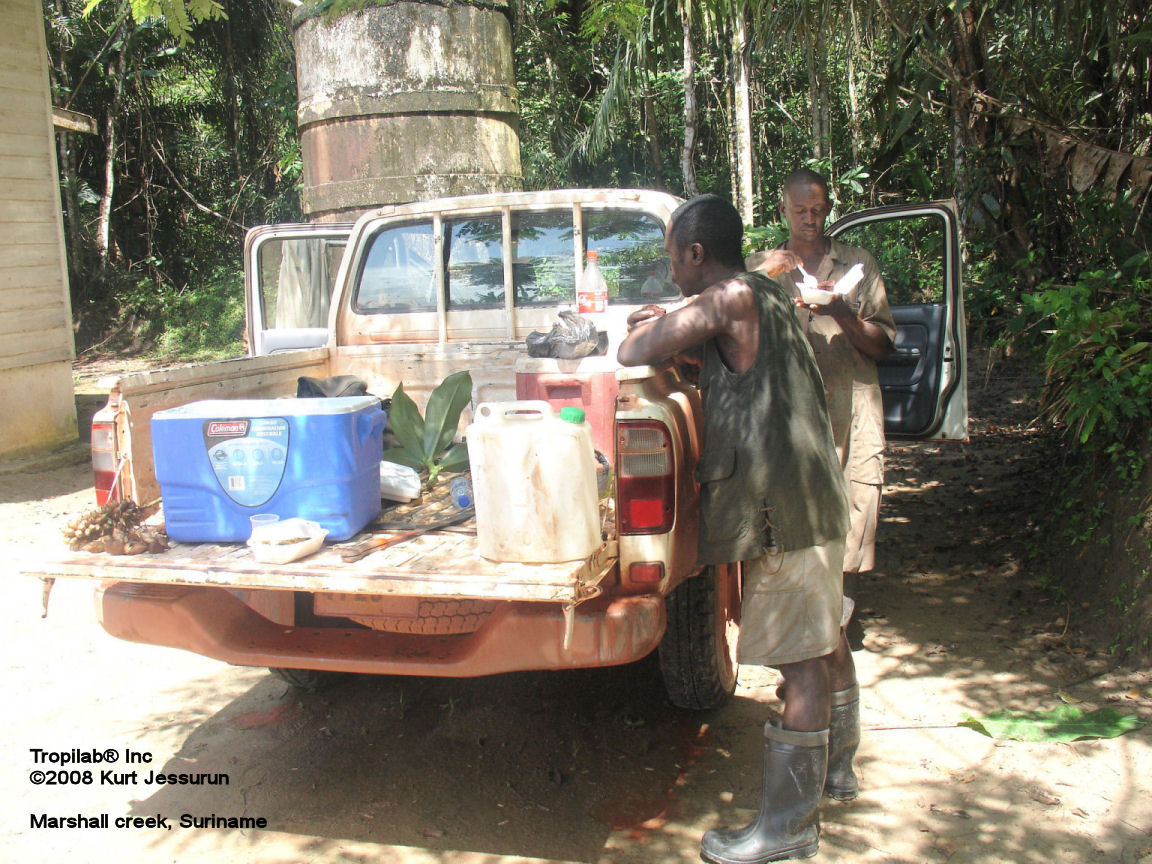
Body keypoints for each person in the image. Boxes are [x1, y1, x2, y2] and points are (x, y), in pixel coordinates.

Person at [618, 194, 856, 863]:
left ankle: (786, 831)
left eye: (674, 262)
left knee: (799, 664)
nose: (672, 275)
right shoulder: (768, 294)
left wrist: (656, 321)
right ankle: (837, 771)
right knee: (822, 633)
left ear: (697, 254)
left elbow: (633, 346)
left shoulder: (726, 298)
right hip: (814, 498)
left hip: (786, 512)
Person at [748, 168, 896, 644]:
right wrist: (761, 275)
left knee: (854, 500)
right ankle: (801, 622)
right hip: (788, 414)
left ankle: (838, 619)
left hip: (851, 404)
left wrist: (841, 312)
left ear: (828, 209)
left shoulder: (858, 263)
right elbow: (731, 326)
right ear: (782, 211)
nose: (810, 220)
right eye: (800, 211)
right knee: (791, 509)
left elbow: (883, 345)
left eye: (818, 210)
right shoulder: (762, 266)